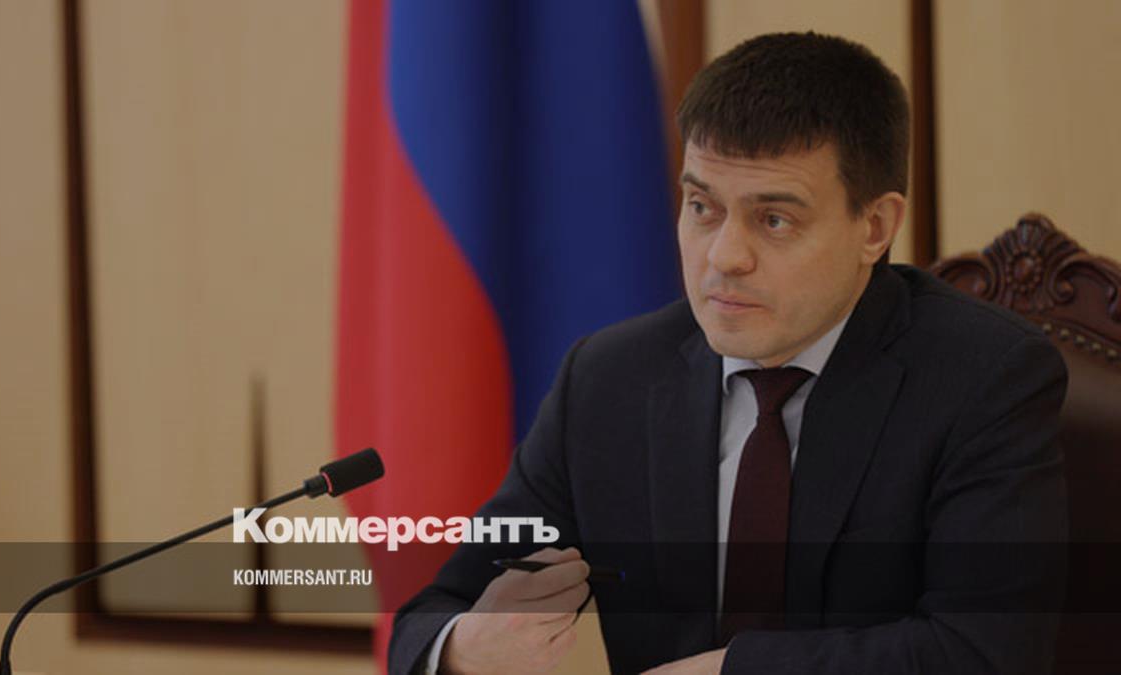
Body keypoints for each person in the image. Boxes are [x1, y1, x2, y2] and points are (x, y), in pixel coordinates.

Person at [389, 32, 1068, 675]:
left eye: (774, 219)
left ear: (875, 226)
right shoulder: (608, 380)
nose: (724, 256)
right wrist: (465, 646)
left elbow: (984, 652)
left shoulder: (984, 379)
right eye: (701, 207)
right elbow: (434, 614)